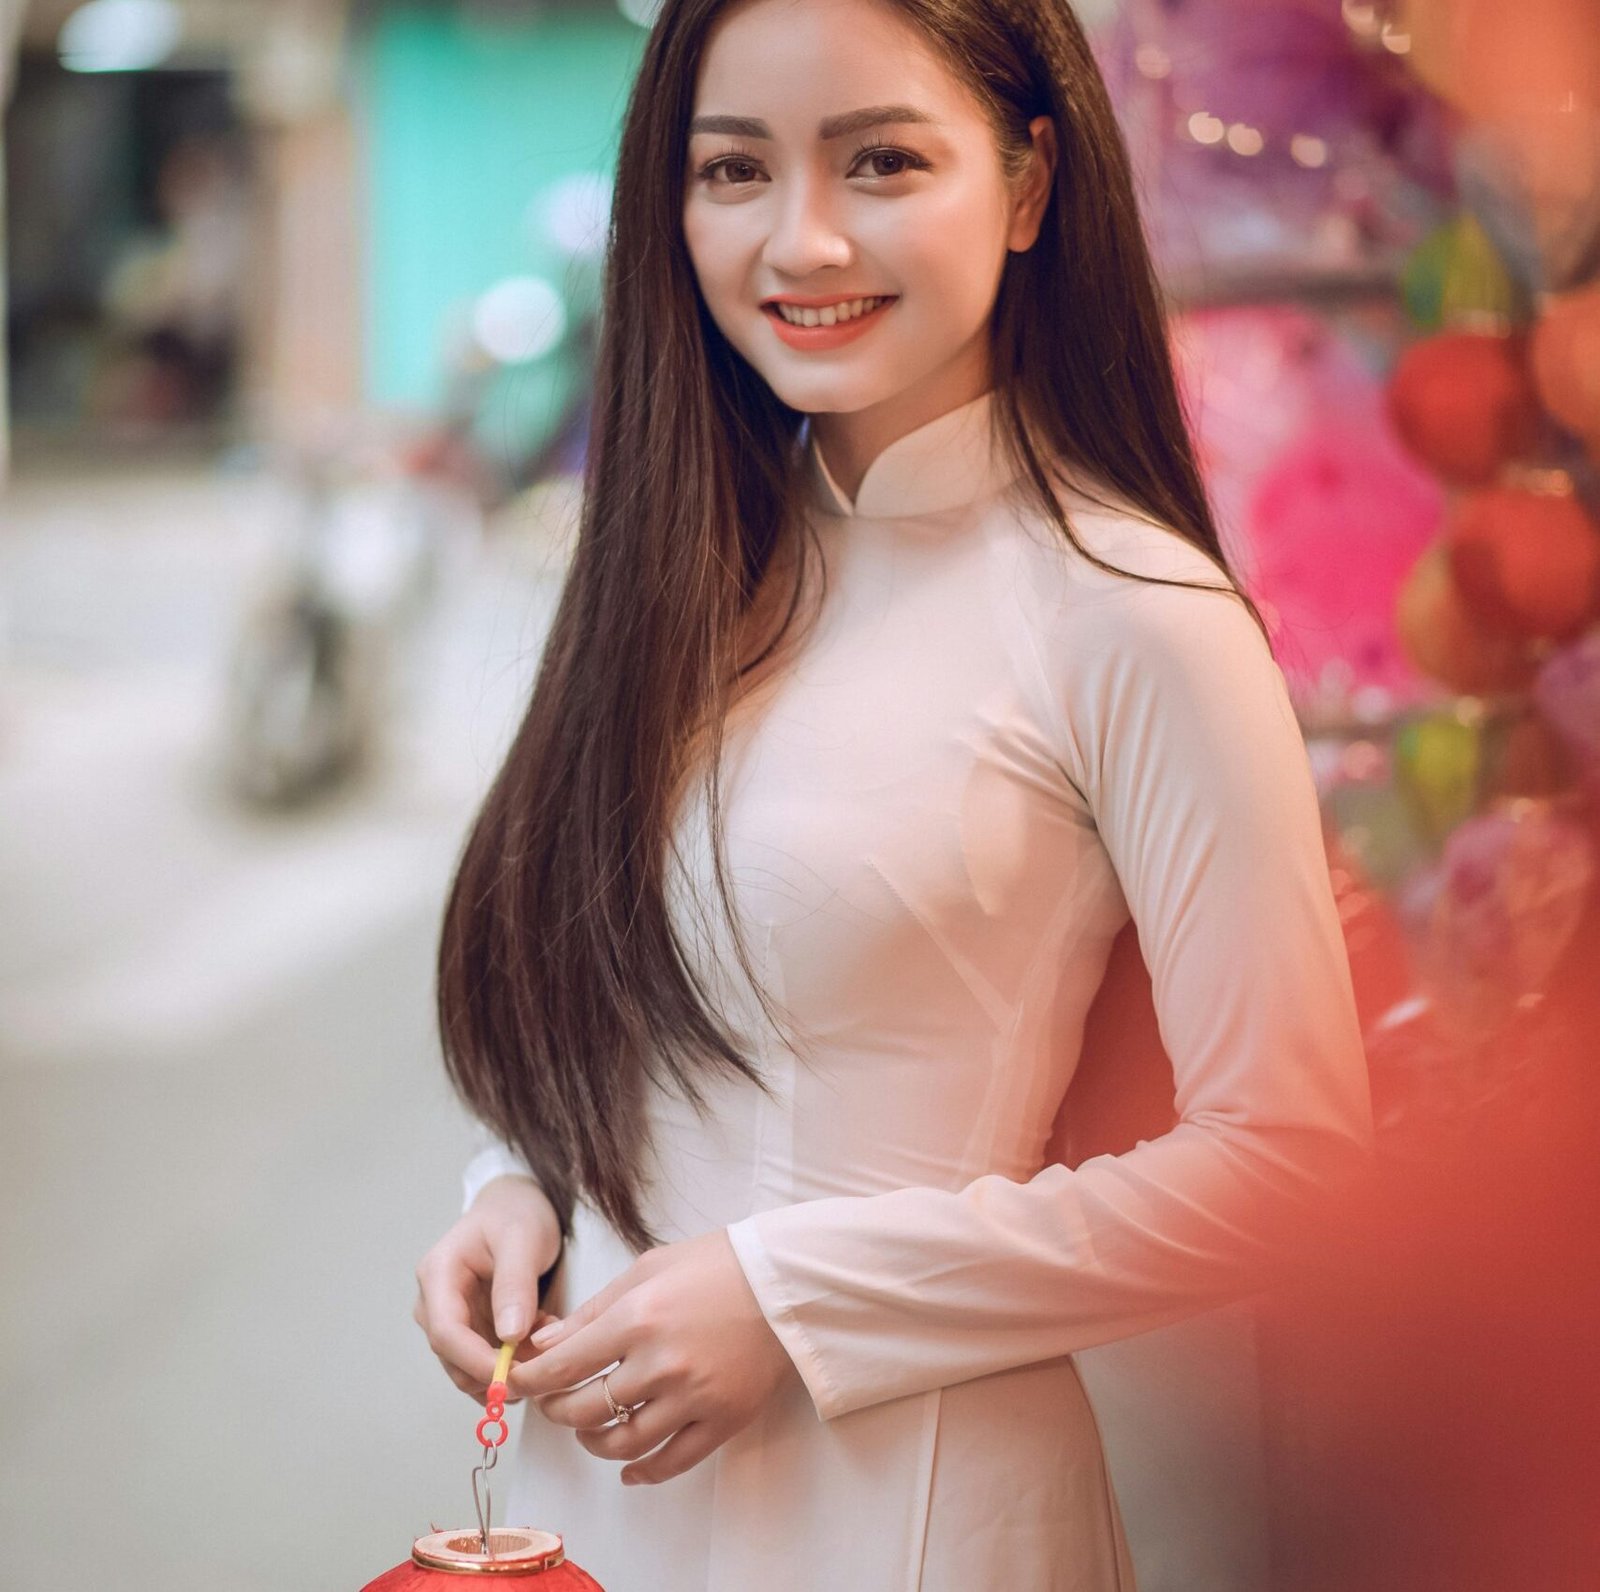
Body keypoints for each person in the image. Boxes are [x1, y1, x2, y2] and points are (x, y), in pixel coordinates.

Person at [411, 0, 1375, 1586]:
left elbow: (1290, 1158)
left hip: (915, 1511)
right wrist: (519, 1185)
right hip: (605, 1499)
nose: (800, 239)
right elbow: (647, 993)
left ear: (1027, 184)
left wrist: (797, 1298)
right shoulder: (674, 572)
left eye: (881, 161)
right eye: (734, 172)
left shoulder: (1130, 613)